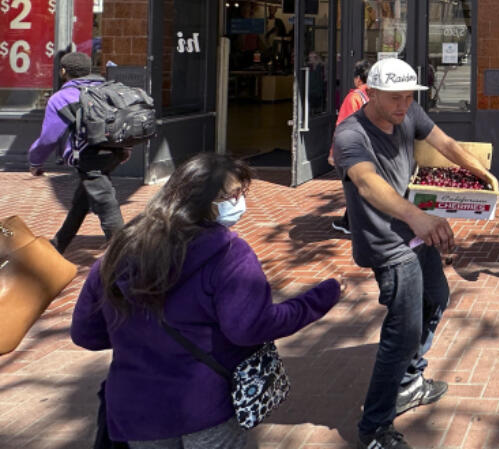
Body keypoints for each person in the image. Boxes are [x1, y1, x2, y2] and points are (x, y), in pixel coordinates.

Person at [71, 153, 341, 448]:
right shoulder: (229, 254)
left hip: (137, 410)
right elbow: (250, 328)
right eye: (231, 195)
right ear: (200, 200)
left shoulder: (118, 250)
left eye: (241, 193)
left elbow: (86, 333)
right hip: (205, 406)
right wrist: (320, 297)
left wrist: (140, 337)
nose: (239, 202)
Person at [332, 57, 498, 449]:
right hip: (386, 242)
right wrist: (418, 219)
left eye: (409, 97)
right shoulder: (350, 135)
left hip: (415, 233)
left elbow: (446, 144)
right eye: (395, 99)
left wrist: (482, 173)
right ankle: (375, 426)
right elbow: (368, 184)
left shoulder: (409, 110)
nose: (404, 107)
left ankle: (407, 379)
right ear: (370, 94)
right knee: (402, 331)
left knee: (437, 298)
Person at [28, 51, 125, 254]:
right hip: (114, 152)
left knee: (105, 202)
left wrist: (35, 162)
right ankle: (59, 244)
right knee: (82, 200)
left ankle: (123, 252)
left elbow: (49, 138)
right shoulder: (105, 89)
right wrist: (125, 150)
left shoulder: (61, 98)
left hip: (89, 156)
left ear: (64, 72)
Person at [329, 59, 372, 235]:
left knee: (353, 187)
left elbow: (342, 127)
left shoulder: (354, 97)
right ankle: (350, 220)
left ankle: (352, 223)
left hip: (354, 151)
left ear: (358, 79)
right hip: (372, 149)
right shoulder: (376, 95)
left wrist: (334, 152)